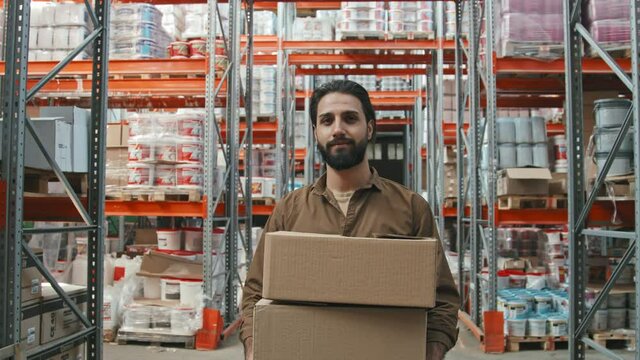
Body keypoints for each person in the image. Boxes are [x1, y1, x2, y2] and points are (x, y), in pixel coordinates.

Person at [240, 80, 460, 360]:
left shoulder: (411, 208)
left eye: (350, 118)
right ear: (315, 132)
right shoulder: (290, 210)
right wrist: (254, 347)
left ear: (369, 128)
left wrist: (432, 350)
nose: (338, 129)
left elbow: (442, 298)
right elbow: (255, 292)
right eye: (327, 120)